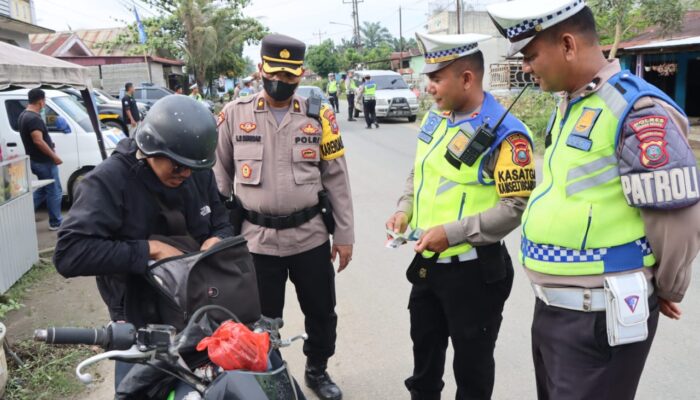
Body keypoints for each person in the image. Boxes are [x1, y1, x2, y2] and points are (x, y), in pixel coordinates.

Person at [487, 1, 700, 399]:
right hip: (555, 311)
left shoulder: (636, 109)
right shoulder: (571, 105)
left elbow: (678, 219)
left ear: (568, 44)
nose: (527, 67)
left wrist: (667, 286)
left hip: (598, 319)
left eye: (531, 55)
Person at [386, 32, 536, 400]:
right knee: (424, 362)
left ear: (467, 78)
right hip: (429, 262)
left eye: (436, 80)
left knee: (471, 372)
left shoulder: (508, 134)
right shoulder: (436, 120)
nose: (430, 89)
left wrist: (452, 233)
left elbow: (514, 207)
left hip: (474, 273)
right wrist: (404, 210)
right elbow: (419, 172)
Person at [53, 95, 232, 388]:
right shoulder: (109, 181)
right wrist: (150, 249)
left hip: (197, 306)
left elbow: (221, 220)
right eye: (177, 167)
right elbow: (69, 254)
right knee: (138, 390)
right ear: (151, 149)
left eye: (192, 167)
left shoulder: (194, 170)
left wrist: (217, 239)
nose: (186, 174)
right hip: (137, 317)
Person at [214, 33, 354, 400]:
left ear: (301, 74)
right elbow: (219, 178)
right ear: (260, 69)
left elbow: (336, 177)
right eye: (274, 73)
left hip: (308, 235)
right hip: (254, 241)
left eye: (290, 76)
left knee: (322, 313)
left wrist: (344, 235)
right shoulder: (235, 114)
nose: (281, 82)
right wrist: (216, 237)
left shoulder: (318, 115)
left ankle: (317, 370)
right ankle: (266, 377)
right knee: (259, 321)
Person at [18, 88, 63, 230]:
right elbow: (38, 141)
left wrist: (49, 144)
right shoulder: (33, 118)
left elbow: (37, 140)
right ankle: (56, 223)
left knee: (44, 190)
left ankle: (21, 214)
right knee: (54, 190)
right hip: (44, 162)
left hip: (36, 160)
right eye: (44, 101)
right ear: (41, 102)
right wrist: (54, 156)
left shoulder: (23, 115)